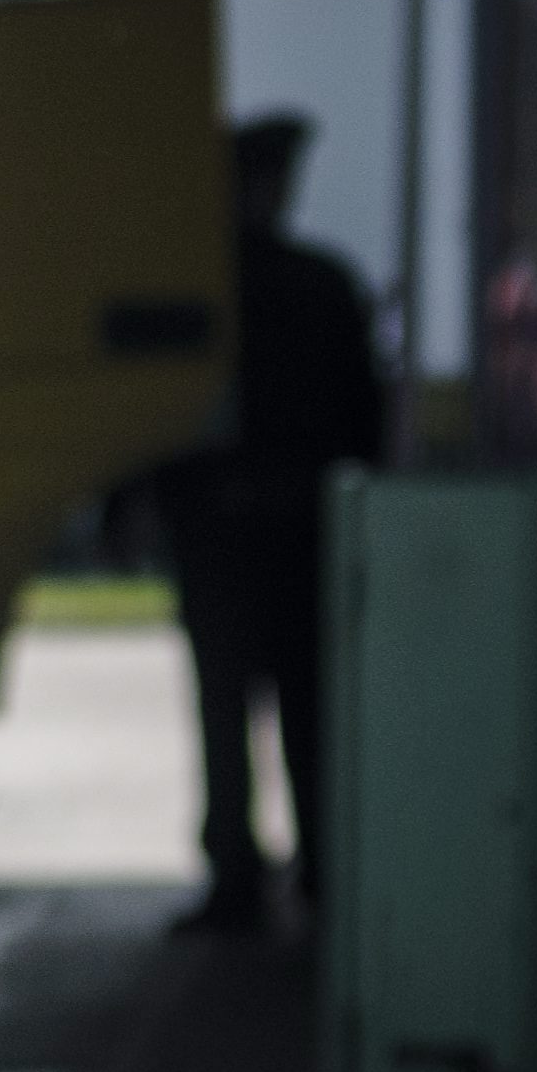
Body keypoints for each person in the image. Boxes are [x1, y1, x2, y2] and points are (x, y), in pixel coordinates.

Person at [157, 111, 382, 936]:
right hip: (297, 533)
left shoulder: (197, 287)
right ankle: (317, 875)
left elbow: (163, 416)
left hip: (221, 534)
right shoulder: (323, 284)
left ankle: (239, 881)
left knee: (227, 713)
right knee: (304, 714)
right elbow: (365, 420)